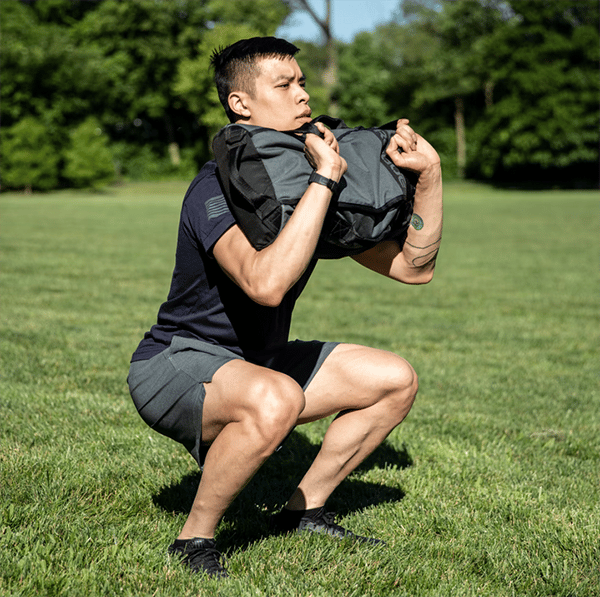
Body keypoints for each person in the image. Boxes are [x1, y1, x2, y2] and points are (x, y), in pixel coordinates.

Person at [127, 36, 442, 579]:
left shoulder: (296, 186)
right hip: (176, 363)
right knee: (277, 398)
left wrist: (430, 177)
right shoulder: (215, 186)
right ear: (240, 104)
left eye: (302, 82)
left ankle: (303, 511)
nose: (303, 95)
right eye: (284, 84)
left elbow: (415, 268)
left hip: (259, 361)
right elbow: (265, 284)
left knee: (393, 379)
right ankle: (194, 538)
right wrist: (324, 180)